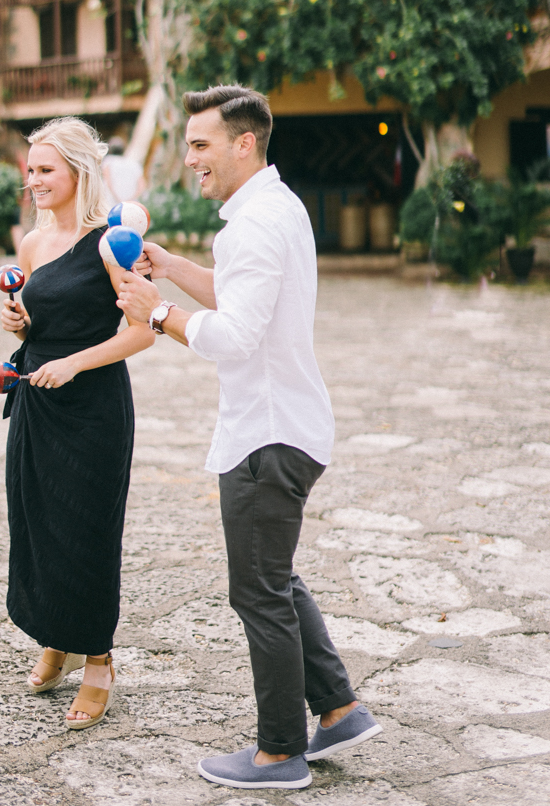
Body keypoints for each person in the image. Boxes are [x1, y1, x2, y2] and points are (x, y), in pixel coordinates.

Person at [117, 85, 382, 791]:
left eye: (201, 145)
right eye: (188, 145)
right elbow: (241, 299)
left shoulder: (253, 225)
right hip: (286, 425)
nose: (189, 159)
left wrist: (158, 310)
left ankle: (278, 753)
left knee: (258, 591)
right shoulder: (274, 208)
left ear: (244, 143)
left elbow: (233, 340)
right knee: (277, 578)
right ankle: (340, 710)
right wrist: (171, 267)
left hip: (266, 436)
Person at [0, 116, 154, 729]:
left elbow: (143, 331)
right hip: (36, 398)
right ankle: (54, 640)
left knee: (87, 530)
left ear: (77, 173)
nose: (33, 180)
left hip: (93, 407)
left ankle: (98, 661)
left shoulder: (109, 242)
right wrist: (20, 325)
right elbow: (41, 320)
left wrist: (72, 364)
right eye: (30, 169)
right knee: (37, 522)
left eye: (46, 170)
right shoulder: (31, 245)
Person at [102, 136, 146, 207]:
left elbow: (108, 181)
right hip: (130, 205)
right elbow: (142, 185)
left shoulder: (108, 161)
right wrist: (130, 199)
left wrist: (118, 199)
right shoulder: (135, 164)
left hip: (110, 203)